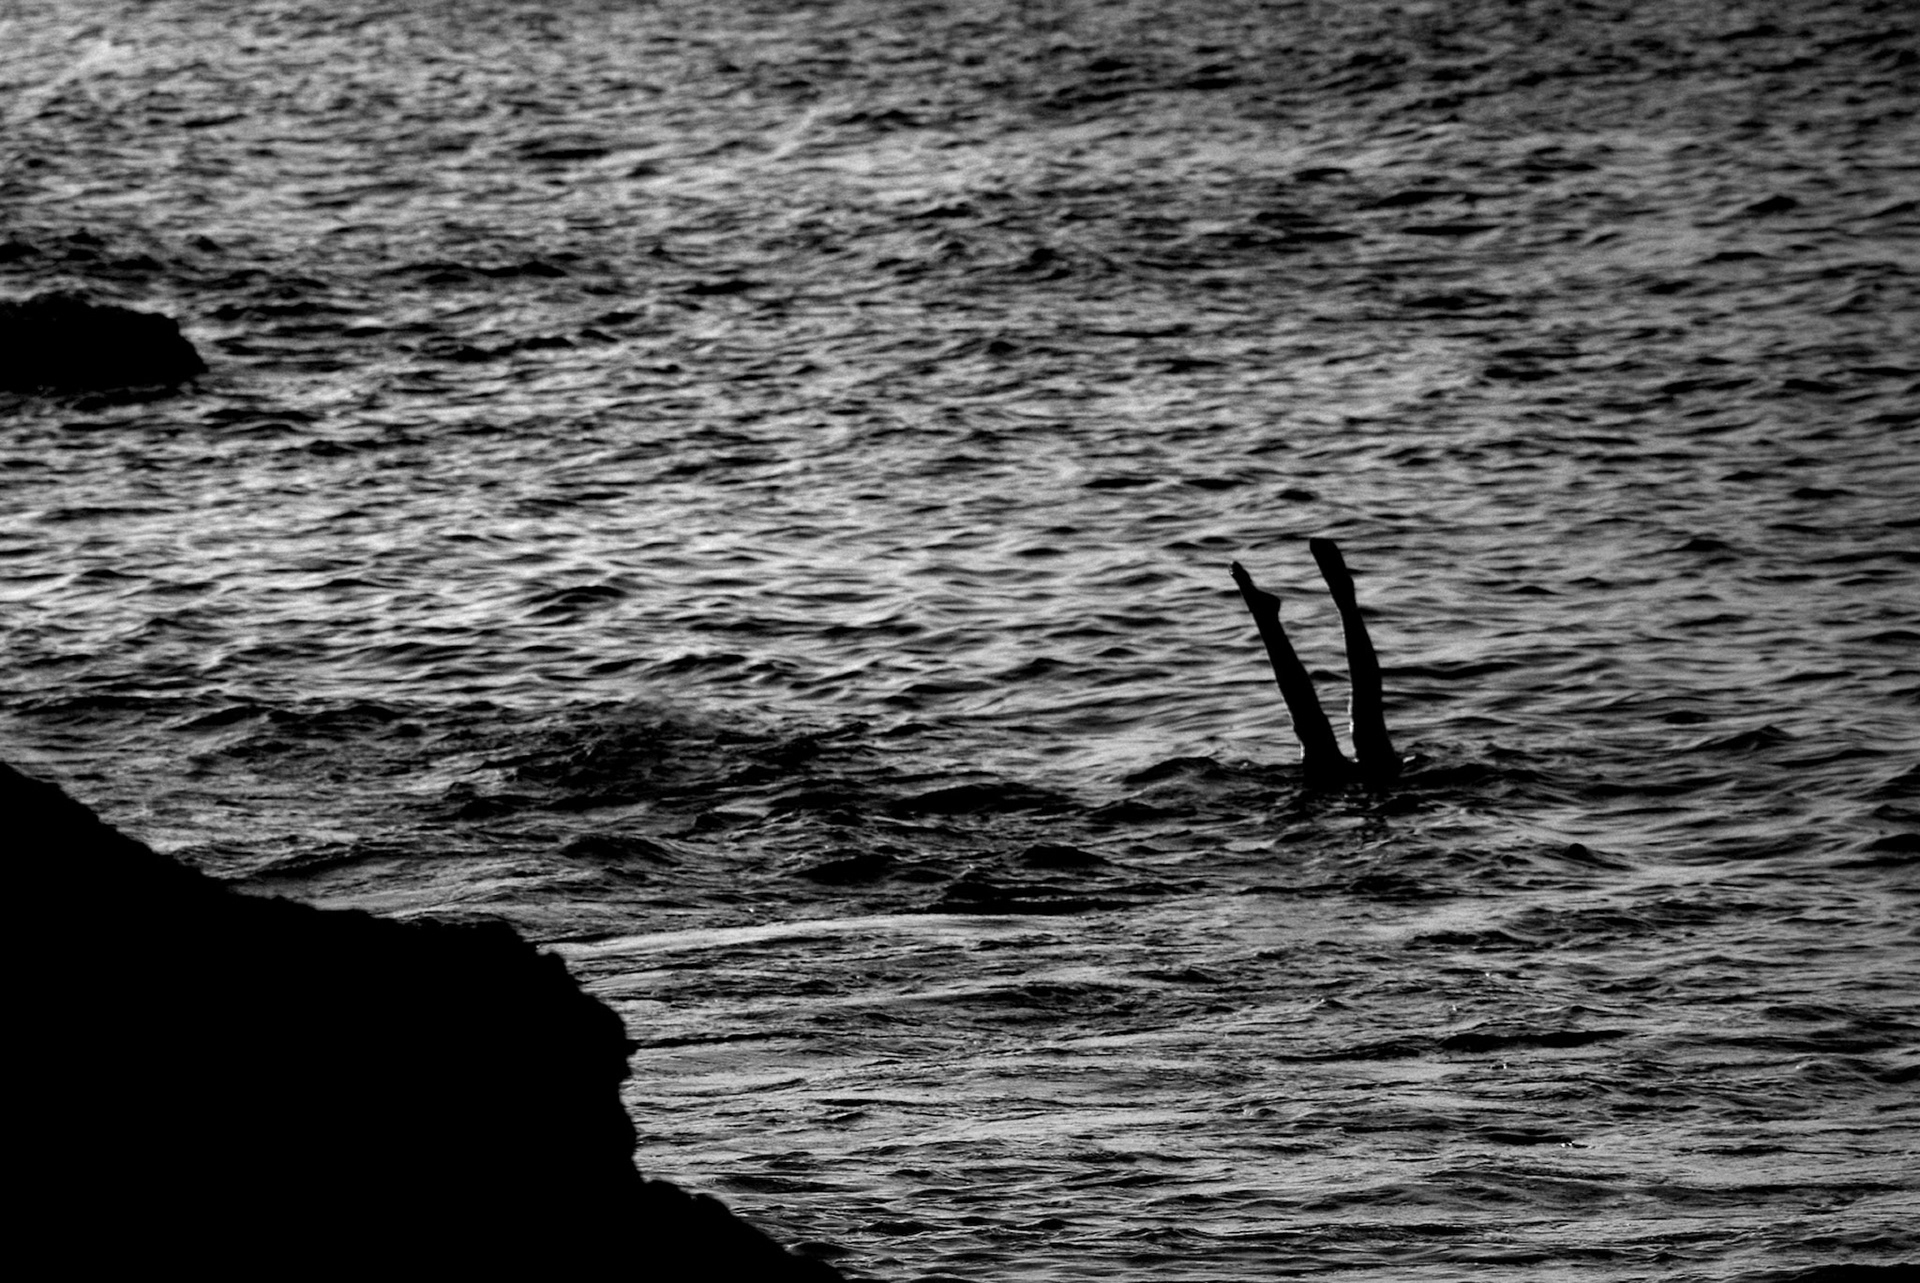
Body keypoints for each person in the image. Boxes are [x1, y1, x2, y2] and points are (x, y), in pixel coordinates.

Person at [1230, 539, 1402, 783]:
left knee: (1318, 731)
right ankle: (1341, 600)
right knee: (1361, 725)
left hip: (1330, 787)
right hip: (1375, 782)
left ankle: (1267, 618)